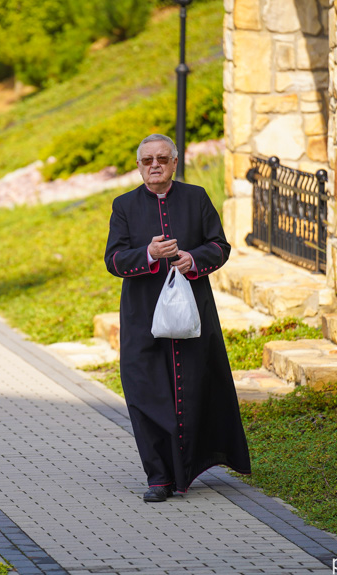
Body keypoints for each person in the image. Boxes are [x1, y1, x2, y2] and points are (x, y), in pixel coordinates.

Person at [104, 134, 251, 502]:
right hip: (143, 317)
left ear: (174, 162)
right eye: (147, 160)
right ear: (139, 166)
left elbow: (220, 245)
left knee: (194, 388)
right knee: (144, 392)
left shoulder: (196, 197)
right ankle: (158, 477)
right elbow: (114, 260)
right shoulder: (123, 206)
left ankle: (185, 471)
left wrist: (193, 260)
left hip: (192, 315)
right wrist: (150, 253)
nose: (155, 165)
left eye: (162, 159)